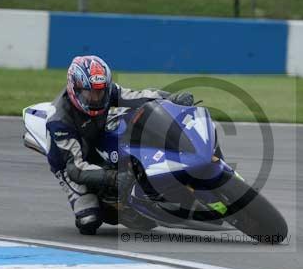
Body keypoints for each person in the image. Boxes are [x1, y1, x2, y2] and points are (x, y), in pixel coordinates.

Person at [46, 55, 193, 235]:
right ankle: (109, 204)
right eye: (89, 92)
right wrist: (115, 178)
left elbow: (138, 96)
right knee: (89, 220)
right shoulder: (60, 121)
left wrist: (171, 99)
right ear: (74, 89)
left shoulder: (106, 92)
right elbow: (75, 168)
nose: (96, 98)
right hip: (69, 162)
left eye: (100, 92)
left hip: (96, 137)